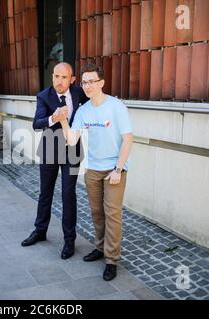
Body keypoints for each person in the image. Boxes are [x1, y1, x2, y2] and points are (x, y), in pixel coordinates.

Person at [59, 64, 134, 281]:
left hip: (114, 170)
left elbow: (128, 139)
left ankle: (111, 260)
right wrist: (63, 120)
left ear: (101, 82)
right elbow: (72, 139)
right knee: (96, 213)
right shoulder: (83, 110)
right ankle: (101, 248)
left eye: (92, 81)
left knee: (112, 214)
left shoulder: (116, 106)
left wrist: (119, 168)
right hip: (92, 169)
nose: (88, 85)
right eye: (84, 82)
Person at [21, 62, 89, 260]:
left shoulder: (78, 93)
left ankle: (70, 241)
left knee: (68, 195)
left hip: (72, 151)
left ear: (72, 80)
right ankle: (40, 231)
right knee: (45, 193)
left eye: (64, 78)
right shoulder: (44, 96)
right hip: (50, 149)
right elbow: (37, 123)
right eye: (56, 76)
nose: (59, 81)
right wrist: (54, 117)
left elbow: (94, 101)